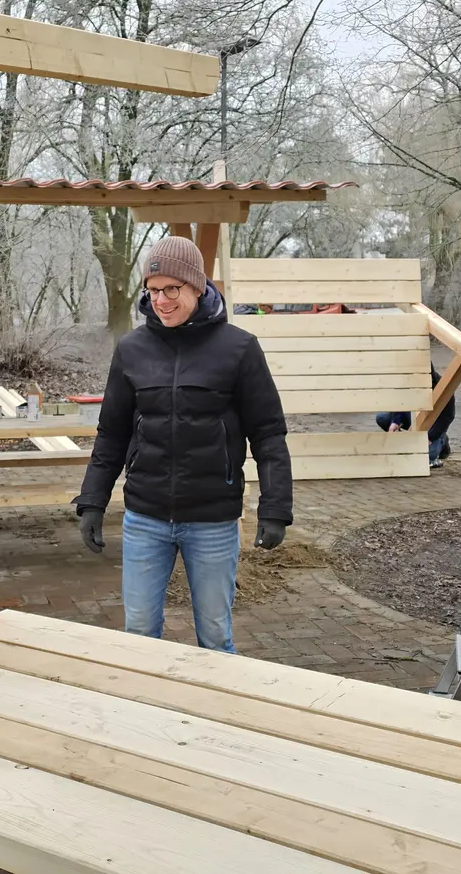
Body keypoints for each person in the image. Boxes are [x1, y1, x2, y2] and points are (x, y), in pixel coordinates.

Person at [75, 236, 293, 653]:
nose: (161, 300)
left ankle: (215, 715)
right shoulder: (132, 349)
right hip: (146, 518)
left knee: (214, 634)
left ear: (197, 286)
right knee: (139, 633)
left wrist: (276, 507)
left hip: (212, 522)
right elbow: (112, 434)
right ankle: (147, 715)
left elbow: (268, 433)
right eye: (153, 290)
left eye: (171, 289)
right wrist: (92, 501)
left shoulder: (239, 348)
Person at [374, 367, 454, 467]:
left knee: (428, 456)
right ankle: (405, 442)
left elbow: (448, 416)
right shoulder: (407, 382)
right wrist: (396, 421)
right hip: (412, 419)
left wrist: (430, 437)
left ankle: (443, 443)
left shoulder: (442, 386)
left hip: (433, 428)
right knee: (382, 418)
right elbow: (398, 402)